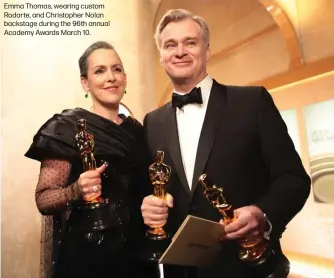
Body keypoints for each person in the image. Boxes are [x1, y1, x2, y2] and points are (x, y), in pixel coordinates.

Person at [141, 9, 311, 278]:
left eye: (190, 42)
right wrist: (149, 205)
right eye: (170, 45)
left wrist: (261, 215)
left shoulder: (252, 102)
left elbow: (294, 178)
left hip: (245, 267)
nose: (180, 51)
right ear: (161, 56)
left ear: (206, 51)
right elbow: (156, 189)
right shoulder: (152, 122)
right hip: (181, 271)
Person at [25, 41, 156, 278]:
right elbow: (43, 199)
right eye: (100, 71)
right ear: (85, 82)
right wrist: (76, 190)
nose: (110, 77)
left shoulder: (139, 131)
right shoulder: (65, 128)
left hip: (137, 255)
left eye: (116, 69)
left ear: (125, 78)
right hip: (88, 258)